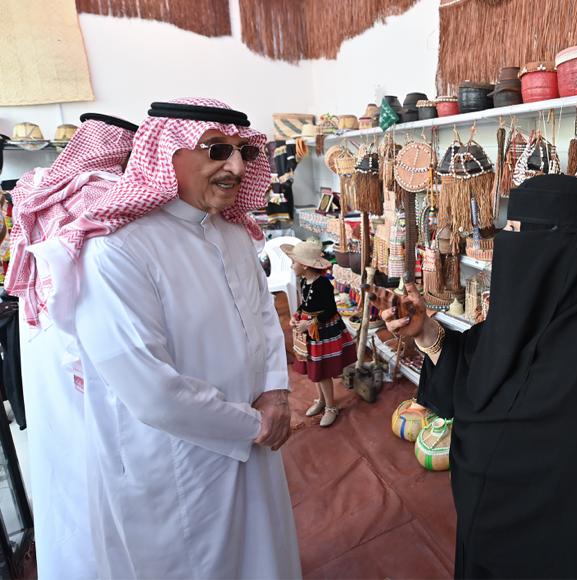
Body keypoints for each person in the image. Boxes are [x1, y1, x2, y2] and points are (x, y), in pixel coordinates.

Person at [31, 98, 301, 579]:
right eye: (216, 150)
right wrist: (252, 423)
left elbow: (264, 314)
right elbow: (152, 392)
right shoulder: (116, 250)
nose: (237, 167)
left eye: (243, 152)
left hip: (260, 431)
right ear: (167, 153)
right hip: (180, 463)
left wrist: (277, 392)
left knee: (266, 556)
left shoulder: (234, 234)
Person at [374, 174, 577, 579]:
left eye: (516, 229)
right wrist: (426, 332)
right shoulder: (537, 322)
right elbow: (487, 363)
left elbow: (522, 488)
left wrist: (476, 438)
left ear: (564, 251)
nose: (505, 242)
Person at [7, 112, 136, 579]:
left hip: (42, 336)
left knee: (62, 462)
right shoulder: (100, 194)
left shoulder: (40, 188)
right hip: (78, 343)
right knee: (100, 466)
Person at [283, 240, 356, 427]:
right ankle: (322, 400)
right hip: (311, 331)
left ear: (305, 266)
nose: (292, 266)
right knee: (314, 367)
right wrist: (296, 316)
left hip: (324, 331)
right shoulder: (304, 281)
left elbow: (331, 310)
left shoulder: (323, 284)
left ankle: (331, 407)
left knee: (322, 372)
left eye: (294, 262)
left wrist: (310, 323)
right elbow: (305, 305)